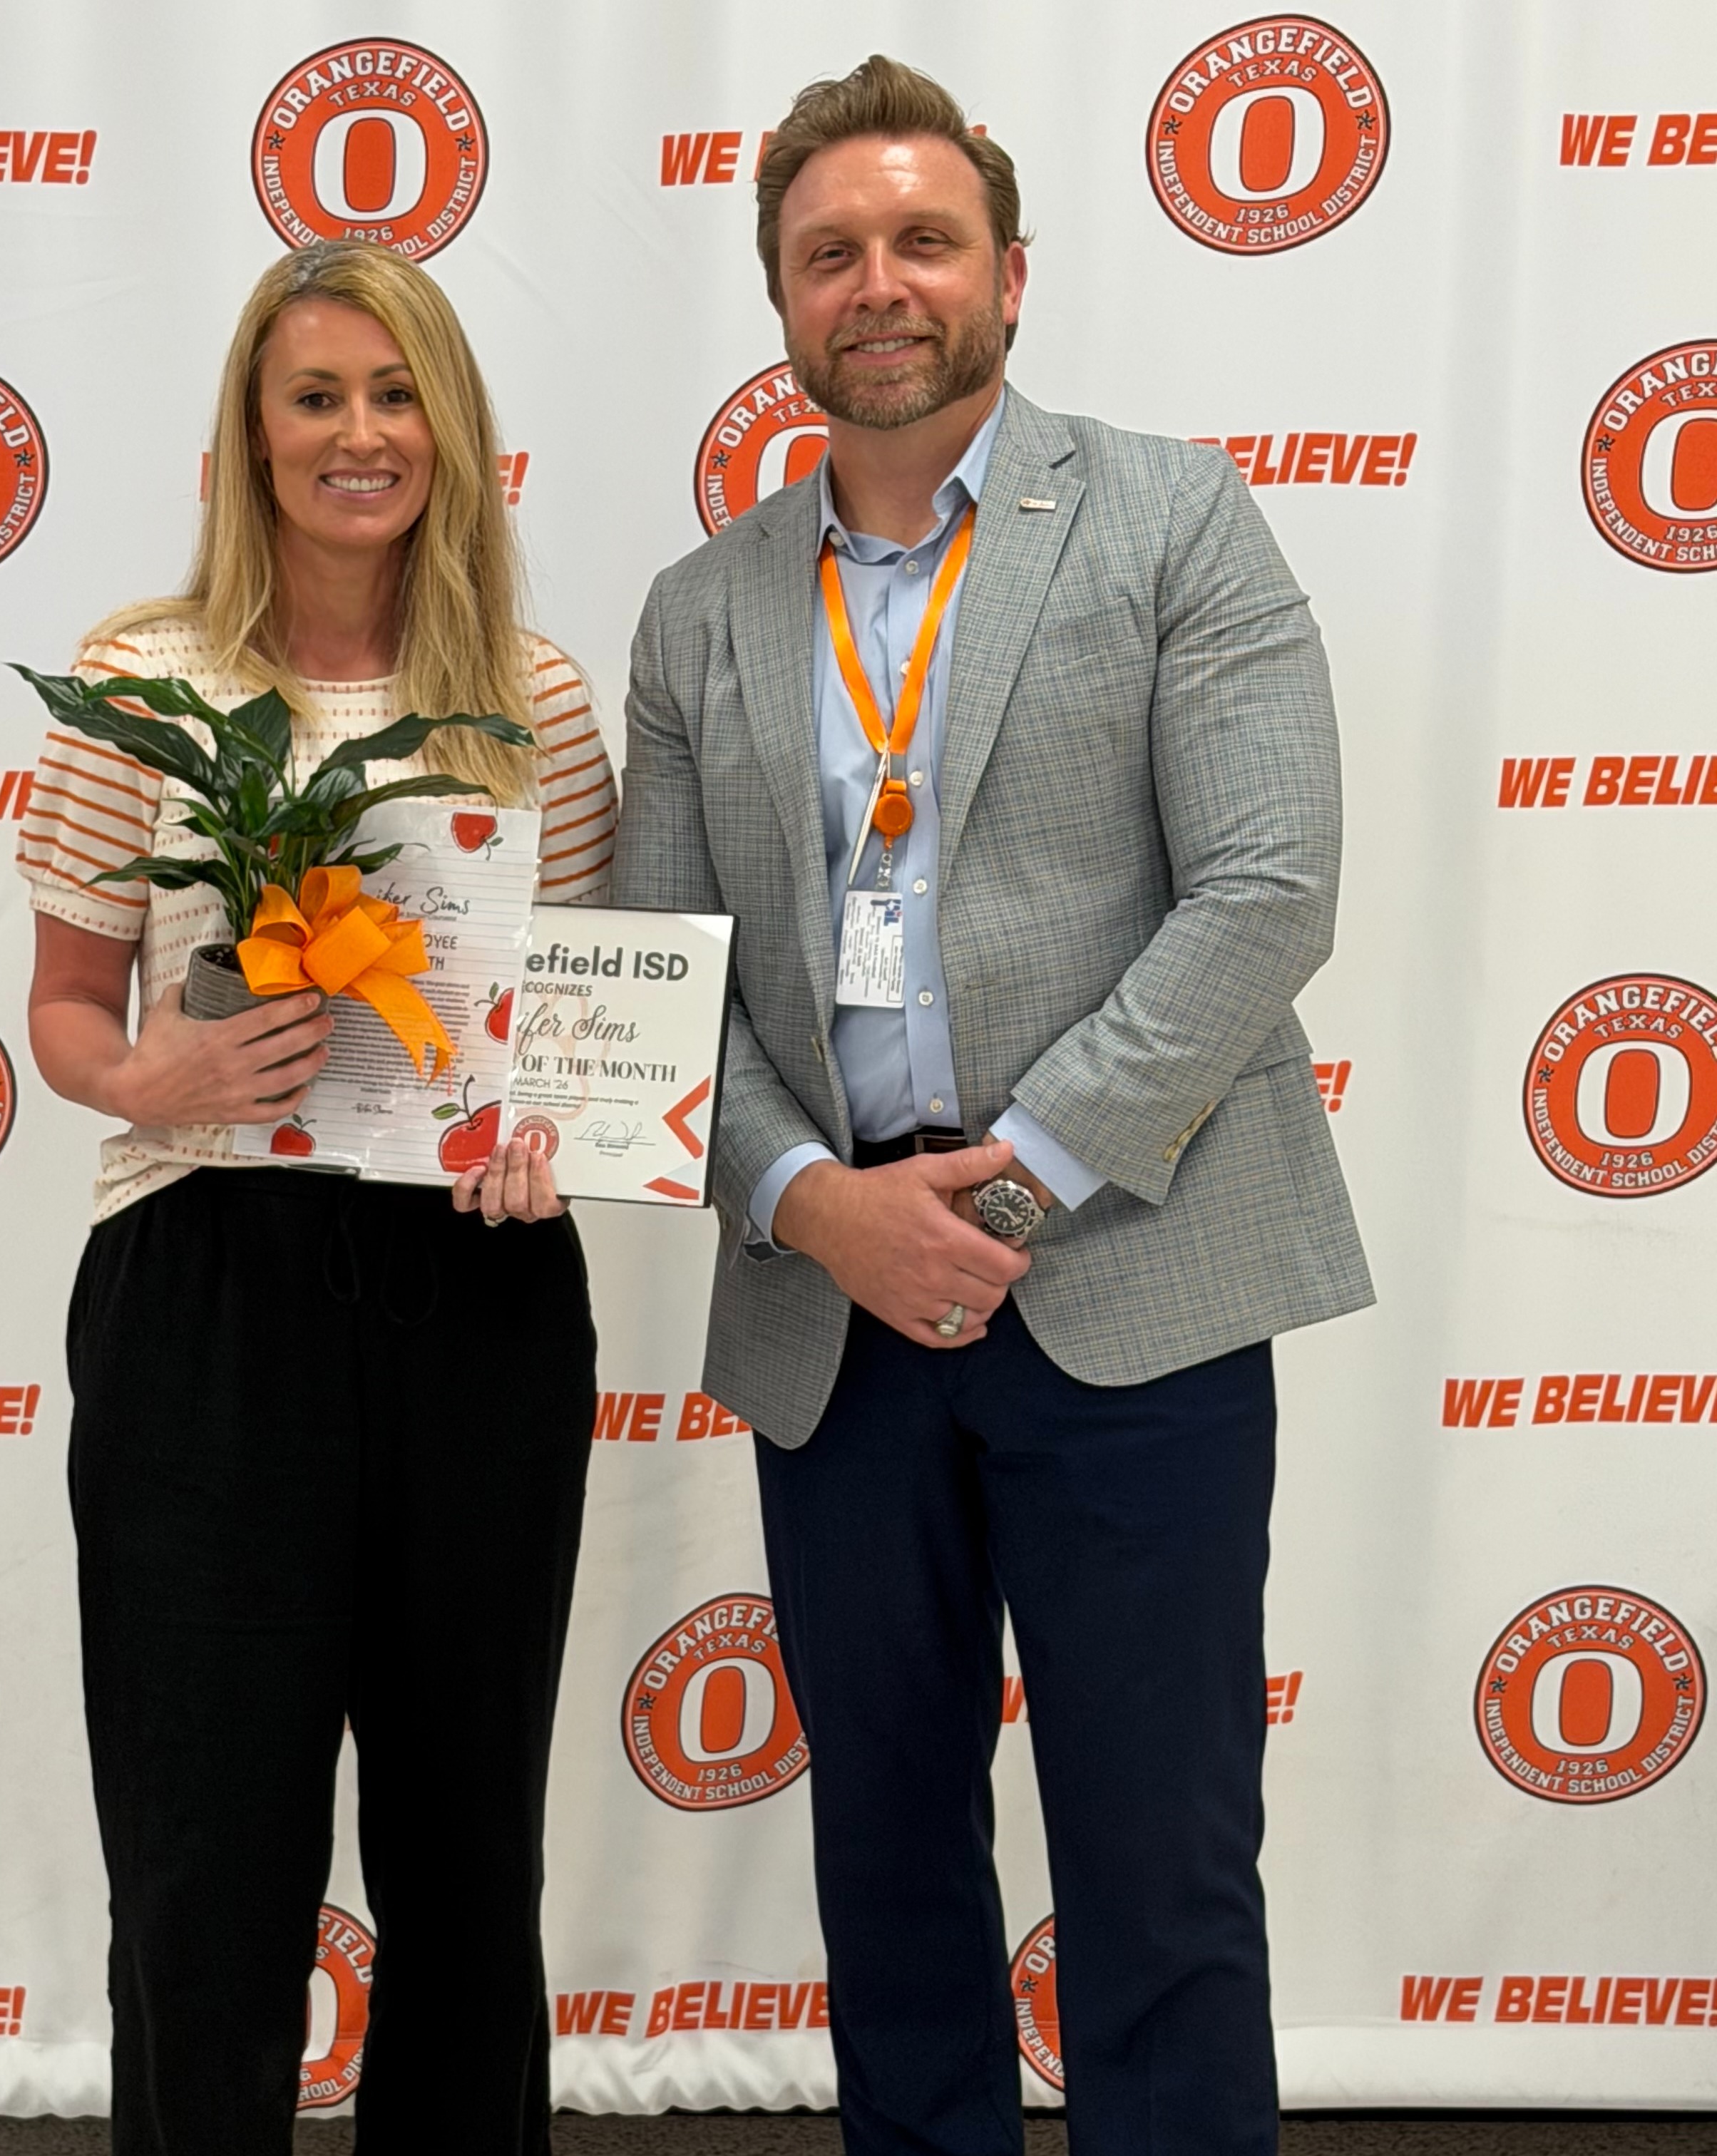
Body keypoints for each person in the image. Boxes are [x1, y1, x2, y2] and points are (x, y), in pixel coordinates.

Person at [614, 55, 1372, 2156]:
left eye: (922, 240)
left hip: (1133, 1275)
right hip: (831, 1314)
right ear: (780, 301)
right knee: (888, 1862)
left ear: (1010, 277)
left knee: (1162, 1868)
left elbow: (1269, 886)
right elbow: (665, 982)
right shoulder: (701, 613)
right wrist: (812, 1203)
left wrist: (1011, 1183)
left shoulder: (1170, 515)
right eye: (830, 251)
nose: (880, 282)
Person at [16, 240, 615, 2152]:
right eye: (315, 397)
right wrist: (149, 1074)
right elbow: (59, 1008)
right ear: (252, 433)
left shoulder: (533, 700)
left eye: (394, 391)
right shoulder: (143, 676)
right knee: (208, 1857)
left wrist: (552, 1134)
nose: (360, 433)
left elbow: (575, 1029)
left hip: (478, 1293)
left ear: (446, 424)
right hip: (205, 1293)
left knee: (466, 1854)